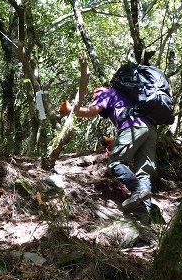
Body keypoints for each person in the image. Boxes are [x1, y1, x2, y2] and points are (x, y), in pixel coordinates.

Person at [60, 85, 157, 222]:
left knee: (115, 163)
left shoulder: (107, 93)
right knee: (143, 173)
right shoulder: (125, 98)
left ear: (100, 91)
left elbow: (90, 112)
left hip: (133, 126)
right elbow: (137, 130)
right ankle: (144, 218)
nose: (95, 99)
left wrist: (69, 109)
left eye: (95, 96)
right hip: (150, 129)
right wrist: (112, 141)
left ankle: (139, 190)